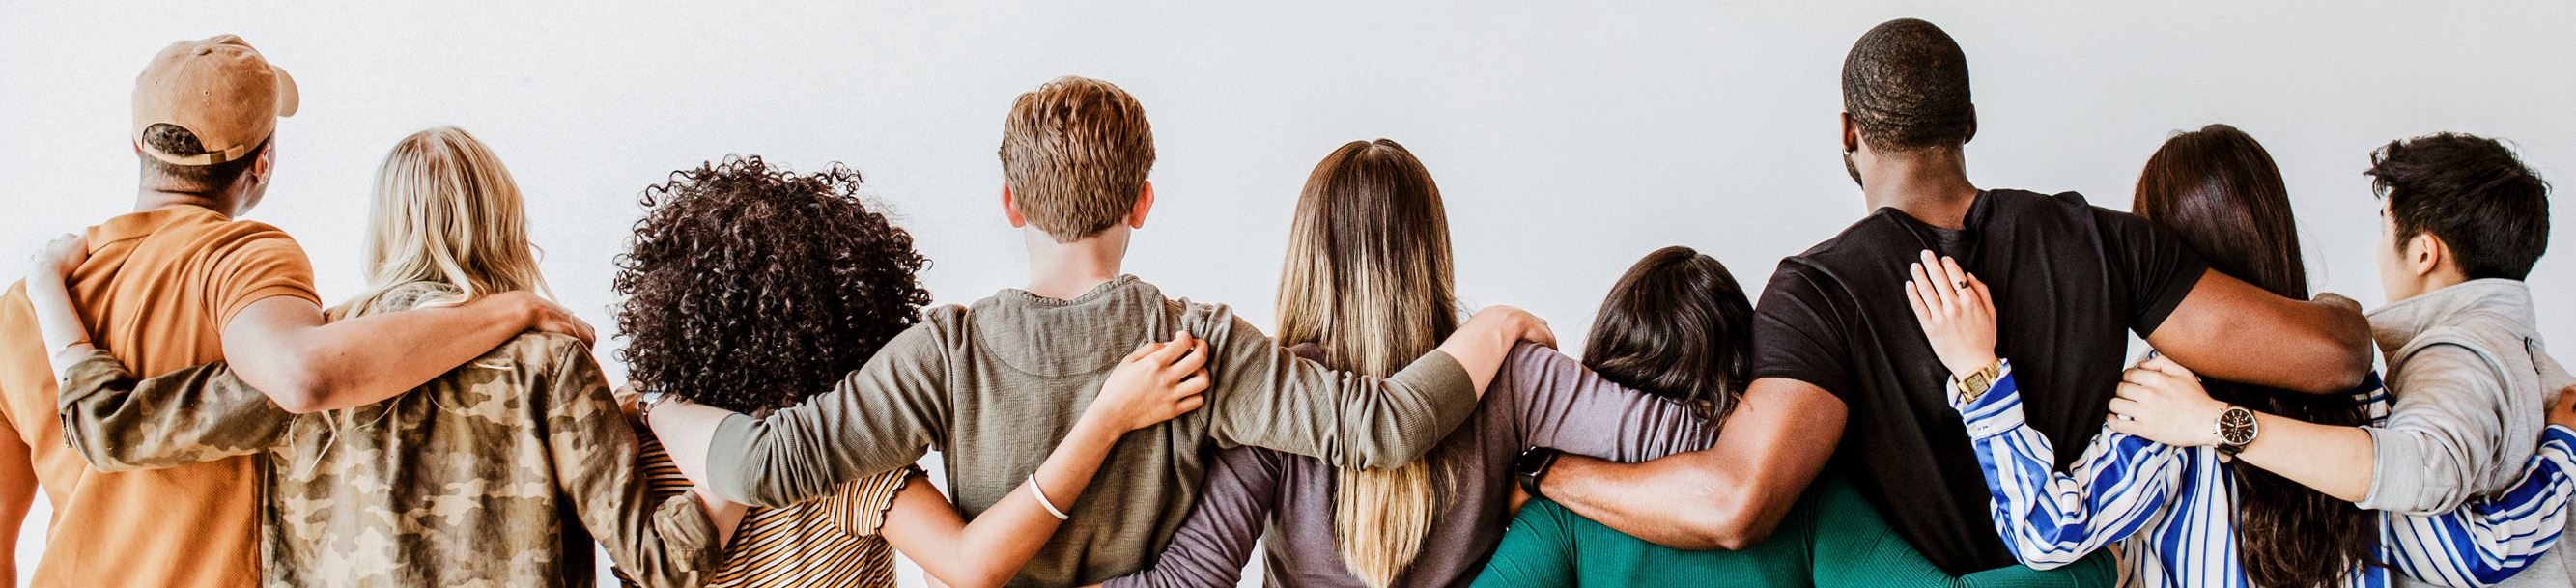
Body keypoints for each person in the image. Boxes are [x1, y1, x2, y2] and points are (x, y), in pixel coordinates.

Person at [1515, 18, 2376, 581]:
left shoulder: (1815, 292)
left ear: (1848, 133)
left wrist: (1551, 469)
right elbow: (2334, 355)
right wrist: (2342, 305)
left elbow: (1736, 503)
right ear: (1968, 119)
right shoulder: (2102, 242)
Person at [643, 76, 1556, 587]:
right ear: (1142, 203)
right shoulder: (1197, 344)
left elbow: (755, 464)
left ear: (1008, 203)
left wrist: (661, 405)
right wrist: (1500, 324)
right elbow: (1384, 426)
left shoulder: (945, 352)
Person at [0, 37, 588, 588]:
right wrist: (512, 309)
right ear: (262, 163)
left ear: (136, 146)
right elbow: (305, 375)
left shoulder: (23, 304)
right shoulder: (243, 259)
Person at [34, 126, 715, 587]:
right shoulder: (548, 362)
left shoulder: (307, 357)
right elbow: (662, 560)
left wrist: (47, 290)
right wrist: (745, 451)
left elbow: (109, 428)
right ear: (506, 220)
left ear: (384, 225)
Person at [1908, 125, 2576, 588]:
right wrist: (2561, 445)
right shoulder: (2358, 375)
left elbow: (2046, 531)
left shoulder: (2164, 405)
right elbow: (2453, 548)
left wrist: (1978, 374)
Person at [1097, 140, 1719, 588]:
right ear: (1432, 252)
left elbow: (1190, 582)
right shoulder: (1517, 376)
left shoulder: (1277, 397)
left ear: (1309, 257)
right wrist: (1543, 474)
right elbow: (1693, 440)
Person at [609, 156, 1212, 588]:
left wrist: (653, 400)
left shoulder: (630, 445)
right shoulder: (850, 469)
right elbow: (973, 566)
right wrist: (1103, 420)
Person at [2111, 132, 2576, 587]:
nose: (2378, 250)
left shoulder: (2453, 355)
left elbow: (2460, 547)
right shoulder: (2506, 356)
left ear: (2424, 253)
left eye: (2383, 228)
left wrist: (2216, 422)